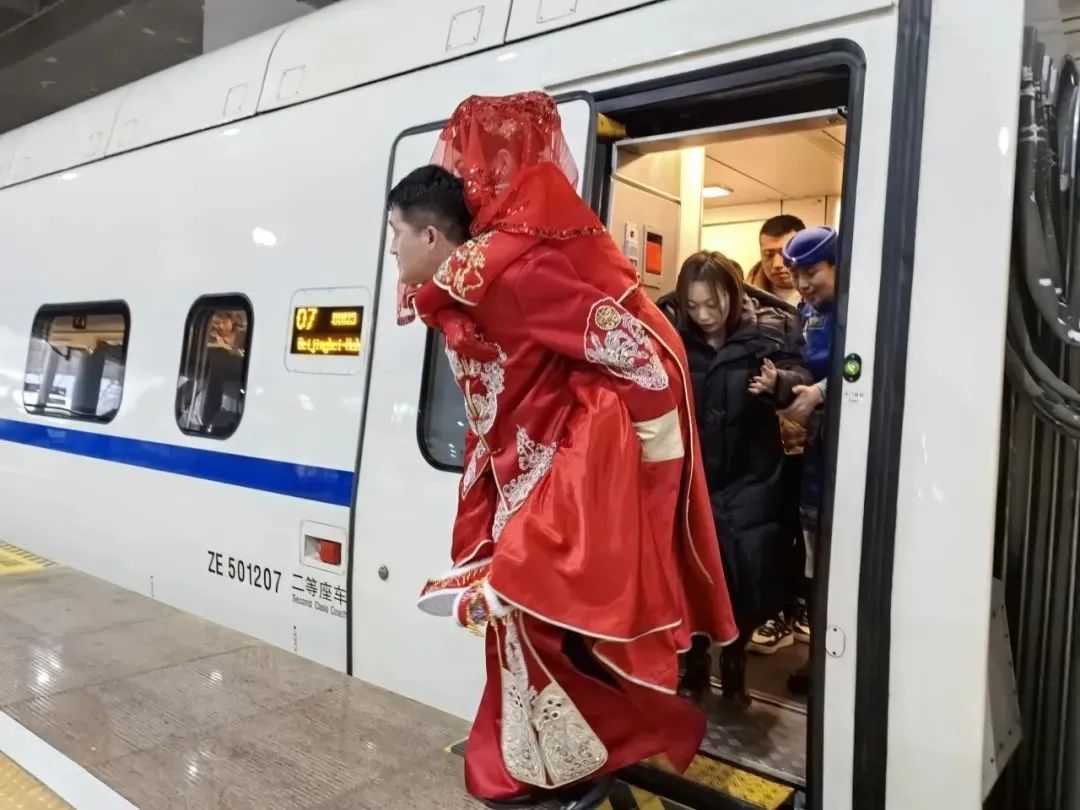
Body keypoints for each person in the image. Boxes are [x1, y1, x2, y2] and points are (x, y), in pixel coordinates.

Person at [388, 92, 737, 810]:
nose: (392, 249)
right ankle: (535, 764)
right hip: (520, 475)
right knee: (524, 629)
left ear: (427, 233)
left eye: (396, 233)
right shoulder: (478, 277)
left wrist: (641, 471)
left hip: (560, 476)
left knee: (537, 624)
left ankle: (555, 767)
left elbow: (640, 356)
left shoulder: (516, 274)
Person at [673, 252, 810, 704]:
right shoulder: (670, 329)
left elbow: (802, 374)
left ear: (734, 295)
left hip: (753, 475)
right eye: (693, 306)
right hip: (692, 476)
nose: (703, 316)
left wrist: (779, 384)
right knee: (692, 576)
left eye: (712, 304)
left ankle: (735, 665)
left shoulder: (772, 327)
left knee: (746, 578)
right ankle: (694, 664)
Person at [750, 225, 838, 695]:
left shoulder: (859, 310)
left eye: (813, 272)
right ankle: (818, 655)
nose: (803, 283)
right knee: (813, 554)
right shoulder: (805, 313)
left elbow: (862, 367)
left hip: (843, 448)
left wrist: (820, 393)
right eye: (797, 273)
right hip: (812, 448)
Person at [746, 215, 806, 307]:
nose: (777, 264)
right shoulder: (744, 301)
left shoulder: (826, 295)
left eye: (785, 253)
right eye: (768, 254)